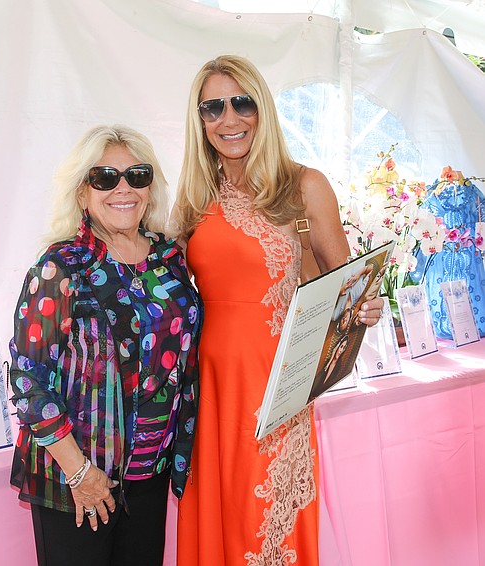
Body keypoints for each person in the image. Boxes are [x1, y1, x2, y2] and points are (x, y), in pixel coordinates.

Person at [171, 55, 384, 565]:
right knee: (218, 520)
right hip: (211, 391)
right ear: (199, 121)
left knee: (266, 531)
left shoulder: (304, 186)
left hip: (277, 391)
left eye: (242, 103)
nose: (230, 119)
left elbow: (346, 285)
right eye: (213, 107)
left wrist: (365, 306)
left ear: (262, 109)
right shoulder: (193, 197)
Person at [9, 125, 203, 566]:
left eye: (137, 175)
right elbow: (27, 381)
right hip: (78, 477)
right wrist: (81, 474)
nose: (124, 188)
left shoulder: (169, 258)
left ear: (150, 187)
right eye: (104, 177)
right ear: (82, 193)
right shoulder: (60, 268)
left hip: (150, 473)